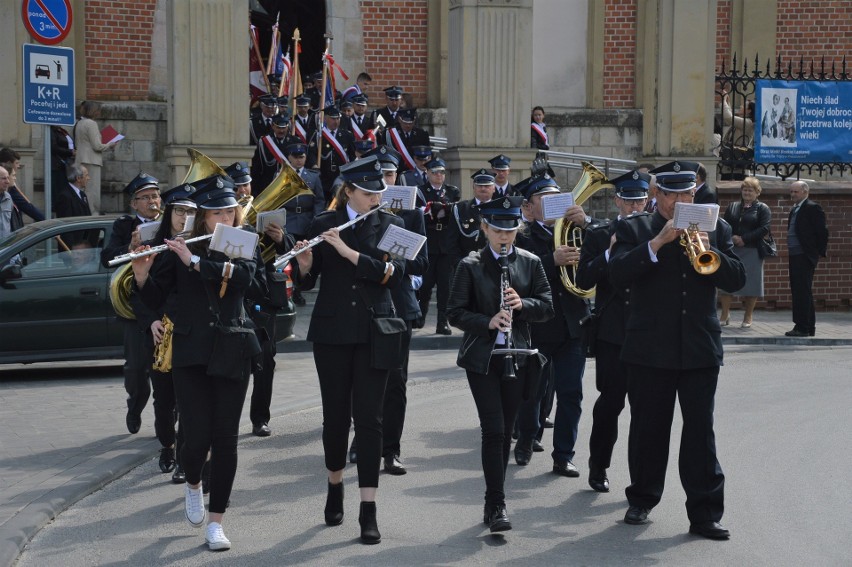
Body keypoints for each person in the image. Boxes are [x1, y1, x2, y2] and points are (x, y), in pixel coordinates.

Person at [609, 161, 745, 540]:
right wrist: (658, 243)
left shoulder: (715, 227)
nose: (683, 200)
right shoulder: (633, 228)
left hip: (699, 346)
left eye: (689, 193)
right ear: (658, 196)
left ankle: (705, 514)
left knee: (701, 432)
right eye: (675, 195)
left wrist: (707, 250)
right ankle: (642, 498)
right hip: (649, 348)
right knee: (649, 428)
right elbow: (617, 276)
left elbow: (736, 278)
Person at [131, 175, 258, 552]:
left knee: (227, 439)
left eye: (229, 211)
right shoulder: (177, 247)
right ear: (202, 217)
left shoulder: (242, 242)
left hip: (232, 347)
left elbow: (246, 280)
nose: (224, 218)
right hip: (190, 352)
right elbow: (159, 296)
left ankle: (216, 522)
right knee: (196, 436)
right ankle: (193, 485)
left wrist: (198, 262)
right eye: (215, 212)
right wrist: (141, 275)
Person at [293, 155, 405, 545]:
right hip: (333, 333)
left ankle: (368, 509)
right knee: (336, 418)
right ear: (349, 192)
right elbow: (306, 284)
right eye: (368, 193)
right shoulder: (325, 223)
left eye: (379, 192)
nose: (376, 199)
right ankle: (335, 484)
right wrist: (305, 264)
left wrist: (348, 252)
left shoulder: (393, 225)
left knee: (370, 420)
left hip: (376, 330)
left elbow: (395, 274)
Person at [447, 195, 554, 533]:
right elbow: (454, 312)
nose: (504, 236)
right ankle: (497, 504)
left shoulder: (530, 261)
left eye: (510, 230)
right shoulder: (470, 265)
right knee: (493, 431)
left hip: (519, 356)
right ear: (485, 228)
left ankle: (494, 499)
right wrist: (486, 321)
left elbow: (547, 305)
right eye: (497, 230)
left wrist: (522, 304)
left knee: (507, 432)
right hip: (482, 358)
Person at [575, 169, 649, 493]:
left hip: (648, 333)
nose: (634, 208)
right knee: (611, 404)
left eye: (639, 201)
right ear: (617, 200)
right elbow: (583, 280)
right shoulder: (599, 234)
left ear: (647, 200)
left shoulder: (656, 234)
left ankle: (640, 480)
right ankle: (598, 465)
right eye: (628, 201)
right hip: (613, 334)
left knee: (645, 412)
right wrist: (609, 251)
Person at [514, 174, 594, 475]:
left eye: (556, 199)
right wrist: (551, 260)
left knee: (571, 393)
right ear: (530, 209)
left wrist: (586, 223)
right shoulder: (522, 237)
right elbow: (518, 275)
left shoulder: (577, 231)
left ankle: (563, 454)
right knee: (530, 391)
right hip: (536, 325)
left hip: (572, 325)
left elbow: (603, 255)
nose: (551, 205)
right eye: (543, 200)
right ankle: (525, 439)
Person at [100, 173, 162, 435]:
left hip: (163, 306)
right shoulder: (124, 225)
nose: (152, 201)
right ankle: (135, 406)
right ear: (134, 204)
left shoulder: (172, 222)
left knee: (166, 372)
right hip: (135, 311)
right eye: (145, 197)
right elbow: (107, 258)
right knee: (136, 370)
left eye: (155, 195)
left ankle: (166, 424)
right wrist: (130, 246)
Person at [146, 184, 197, 482]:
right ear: (170, 213)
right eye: (180, 211)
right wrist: (152, 319)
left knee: (189, 401)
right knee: (164, 401)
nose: (184, 217)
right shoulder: (156, 246)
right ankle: (167, 444)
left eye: (191, 212)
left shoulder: (203, 247)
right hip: (162, 334)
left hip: (192, 334)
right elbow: (140, 293)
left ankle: (183, 460)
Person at [719, 176, 772, 328]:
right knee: (727, 281)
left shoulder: (763, 208)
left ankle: (748, 316)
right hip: (732, 249)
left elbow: (764, 228)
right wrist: (732, 238)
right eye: (744, 189)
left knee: (752, 284)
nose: (747, 192)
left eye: (750, 190)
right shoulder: (733, 206)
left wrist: (744, 238)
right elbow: (724, 225)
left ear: (757, 192)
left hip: (753, 250)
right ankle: (725, 314)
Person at [416, 157, 461, 334]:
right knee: (425, 285)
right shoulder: (420, 191)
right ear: (427, 173)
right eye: (435, 172)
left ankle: (443, 321)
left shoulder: (452, 191)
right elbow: (421, 214)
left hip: (446, 243)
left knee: (445, 286)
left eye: (442, 172)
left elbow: (452, 212)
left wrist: (435, 210)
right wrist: (437, 210)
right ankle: (421, 315)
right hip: (428, 242)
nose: (439, 176)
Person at [785, 181, 829, 337]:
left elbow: (822, 232)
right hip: (795, 255)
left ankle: (802, 327)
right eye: (791, 192)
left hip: (804, 255)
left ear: (804, 192)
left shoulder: (812, 207)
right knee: (801, 290)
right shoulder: (795, 209)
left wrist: (817, 253)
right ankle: (808, 326)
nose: (792, 194)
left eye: (795, 192)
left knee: (801, 291)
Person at [74, 100, 118, 214]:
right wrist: (110, 144)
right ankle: (92, 215)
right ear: (94, 111)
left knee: (83, 189)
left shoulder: (79, 123)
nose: (99, 112)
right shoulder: (91, 123)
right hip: (91, 160)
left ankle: (84, 213)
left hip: (80, 159)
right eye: (98, 110)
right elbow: (97, 146)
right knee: (92, 191)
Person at [307, 105, 356, 201]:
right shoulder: (319, 135)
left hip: (341, 176)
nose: (336, 121)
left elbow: (352, 154)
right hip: (324, 176)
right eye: (333, 119)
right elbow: (311, 153)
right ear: (326, 118)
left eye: (338, 118)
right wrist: (314, 165)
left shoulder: (347, 135)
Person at [450, 169, 495, 257]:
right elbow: (451, 242)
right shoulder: (460, 208)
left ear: (494, 188)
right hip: (465, 262)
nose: (483, 188)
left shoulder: (500, 209)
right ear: (473, 187)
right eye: (479, 186)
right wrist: (460, 264)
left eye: (487, 185)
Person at [0, 147, 44, 222]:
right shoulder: (10, 186)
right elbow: (26, 205)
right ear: (8, 163)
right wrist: (45, 222)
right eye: (16, 163)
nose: (18, 166)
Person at [252, 112, 291, 195]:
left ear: (287, 127)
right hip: (268, 185)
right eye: (278, 127)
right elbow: (257, 166)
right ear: (273, 126)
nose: (281, 130)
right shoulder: (264, 142)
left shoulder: (294, 142)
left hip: (288, 185)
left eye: (284, 128)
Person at [0, 166, 23, 240]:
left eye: (8, 178)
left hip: (5, 248)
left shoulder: (8, 198)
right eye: (4, 178)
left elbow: (13, 226)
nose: (8, 181)